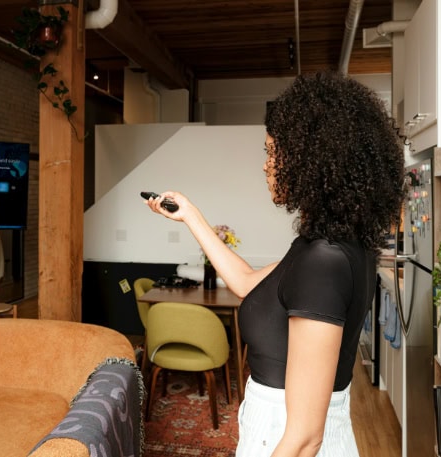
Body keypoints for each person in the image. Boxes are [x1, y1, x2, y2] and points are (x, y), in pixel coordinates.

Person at [143, 71, 405, 457]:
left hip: (284, 440)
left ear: (308, 160)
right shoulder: (327, 245)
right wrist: (191, 216)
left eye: (272, 152)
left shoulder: (323, 261)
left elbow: (303, 440)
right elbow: (247, 281)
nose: (266, 165)